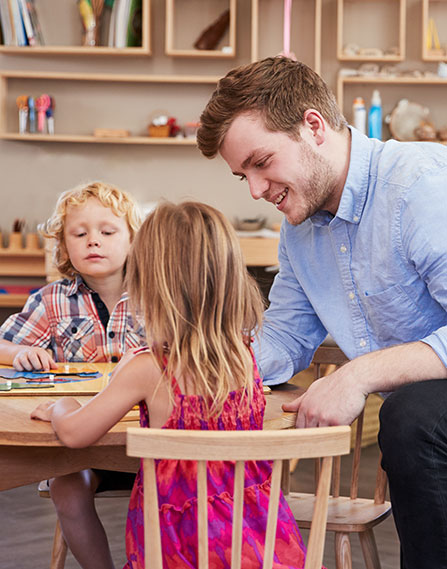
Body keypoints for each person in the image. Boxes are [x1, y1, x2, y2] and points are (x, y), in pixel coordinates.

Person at [196, 56, 447, 569]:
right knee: (410, 415)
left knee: (410, 416)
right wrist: (201, 364)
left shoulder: (418, 186)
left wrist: (358, 375)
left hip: (423, 414)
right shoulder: (300, 230)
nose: (256, 190)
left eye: (262, 162)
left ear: (312, 126)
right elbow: (285, 336)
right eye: (242, 175)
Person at [31, 200, 309, 569]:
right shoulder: (244, 355)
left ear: (148, 282)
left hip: (179, 548)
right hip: (258, 541)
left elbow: (74, 435)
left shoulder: (149, 368)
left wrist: (60, 407)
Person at [0, 181, 144, 569]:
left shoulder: (158, 295)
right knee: (66, 486)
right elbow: (1, 345)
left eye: (108, 232)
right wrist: (21, 351)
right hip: (81, 440)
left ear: (134, 240)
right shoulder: (51, 300)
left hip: (148, 439)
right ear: (64, 247)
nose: (93, 241)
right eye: (80, 234)